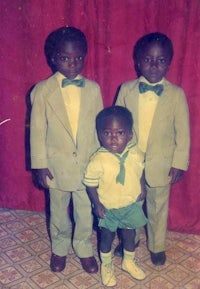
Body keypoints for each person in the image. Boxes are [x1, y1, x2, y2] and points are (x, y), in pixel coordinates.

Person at [30, 26, 103, 273]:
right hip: (56, 167)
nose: (72, 63)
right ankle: (59, 248)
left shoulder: (93, 89)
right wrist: (40, 165)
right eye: (65, 58)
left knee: (85, 211)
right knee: (58, 210)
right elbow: (37, 131)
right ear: (53, 58)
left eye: (78, 58)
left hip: (86, 165)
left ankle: (83, 247)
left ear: (85, 56)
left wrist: (101, 162)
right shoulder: (42, 91)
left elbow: (99, 128)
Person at [115, 32, 190, 265]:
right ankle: (131, 239)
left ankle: (157, 245)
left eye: (161, 60)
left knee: (158, 207)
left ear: (169, 62)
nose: (154, 65)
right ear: (137, 61)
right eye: (148, 59)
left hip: (162, 164)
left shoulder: (177, 95)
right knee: (131, 204)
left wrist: (179, 162)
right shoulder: (126, 90)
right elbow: (115, 122)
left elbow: (183, 133)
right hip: (132, 162)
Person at [83, 106, 147, 287]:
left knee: (129, 234)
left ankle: (128, 261)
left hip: (130, 205)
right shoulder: (98, 160)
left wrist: (142, 186)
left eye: (120, 132)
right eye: (107, 133)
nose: (113, 138)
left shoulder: (135, 152)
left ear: (130, 134)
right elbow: (90, 184)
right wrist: (97, 205)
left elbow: (140, 170)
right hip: (108, 208)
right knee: (106, 238)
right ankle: (107, 265)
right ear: (99, 135)